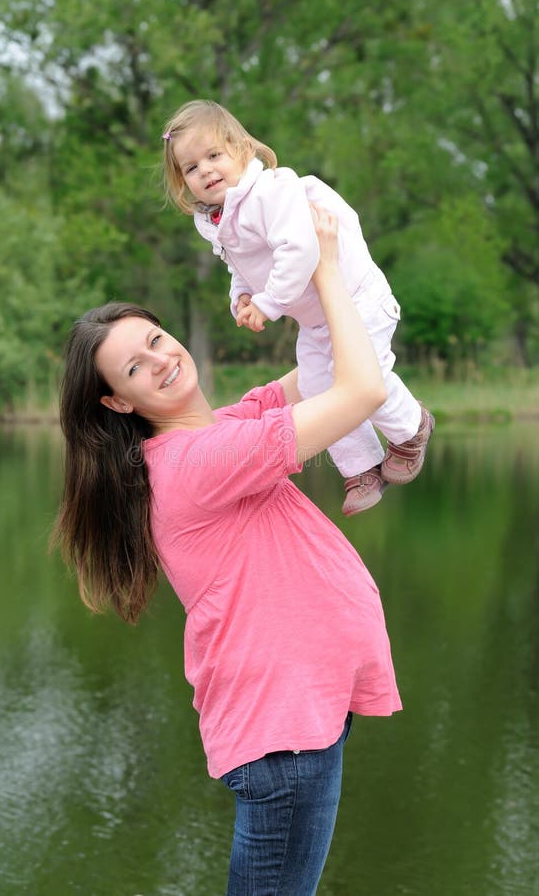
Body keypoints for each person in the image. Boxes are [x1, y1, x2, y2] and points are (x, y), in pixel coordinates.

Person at [53, 208, 402, 895]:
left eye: (155, 339)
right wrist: (326, 270)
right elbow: (360, 390)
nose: (160, 358)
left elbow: (327, 364)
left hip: (301, 717)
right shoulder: (198, 461)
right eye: (134, 365)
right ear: (116, 401)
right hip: (284, 733)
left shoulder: (223, 429)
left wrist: (313, 274)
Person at [161, 99, 434, 517]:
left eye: (214, 155)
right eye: (192, 168)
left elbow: (301, 250)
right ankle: (362, 467)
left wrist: (268, 304)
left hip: (356, 297)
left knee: (363, 372)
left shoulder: (272, 192)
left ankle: (411, 427)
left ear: (241, 149)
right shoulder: (220, 218)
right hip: (316, 319)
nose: (206, 171)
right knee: (316, 385)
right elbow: (243, 263)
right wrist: (242, 296)